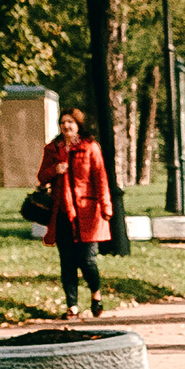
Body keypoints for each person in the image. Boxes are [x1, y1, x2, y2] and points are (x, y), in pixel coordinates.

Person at [36, 110, 113, 319]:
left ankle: (96, 295)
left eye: (70, 122)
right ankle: (72, 306)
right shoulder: (52, 149)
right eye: (63, 122)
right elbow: (41, 177)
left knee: (87, 260)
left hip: (88, 212)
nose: (66, 126)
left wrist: (106, 207)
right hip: (61, 213)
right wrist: (55, 170)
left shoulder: (90, 147)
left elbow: (100, 177)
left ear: (79, 125)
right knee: (67, 261)